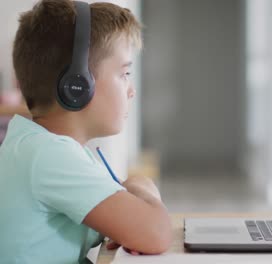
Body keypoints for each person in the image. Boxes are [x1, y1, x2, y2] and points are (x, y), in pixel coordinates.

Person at [0, 1, 172, 263]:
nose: (131, 90)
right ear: (77, 85)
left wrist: (129, 218)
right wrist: (140, 188)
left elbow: (138, 228)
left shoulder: (40, 147)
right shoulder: (48, 156)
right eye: (124, 73)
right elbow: (156, 233)